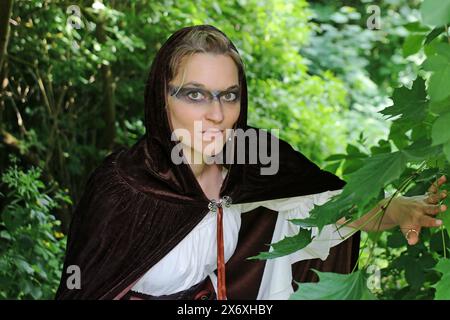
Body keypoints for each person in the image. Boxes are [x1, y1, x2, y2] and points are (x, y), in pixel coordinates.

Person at [55, 25, 447, 300]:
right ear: (162, 99)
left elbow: (323, 213)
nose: (216, 114)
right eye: (195, 95)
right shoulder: (122, 185)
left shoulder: (256, 161)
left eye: (229, 95)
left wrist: (398, 210)